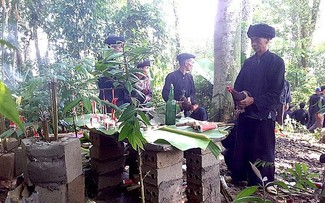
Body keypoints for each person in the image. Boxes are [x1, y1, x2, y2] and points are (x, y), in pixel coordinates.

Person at [230, 23, 285, 194]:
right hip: (246, 114)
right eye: (252, 40)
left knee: (264, 149)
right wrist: (239, 98)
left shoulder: (277, 62)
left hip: (264, 114)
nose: (254, 43)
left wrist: (254, 100)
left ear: (268, 40)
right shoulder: (248, 62)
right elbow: (238, 84)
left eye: (257, 40)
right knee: (242, 146)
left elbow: (276, 92)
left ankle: (266, 181)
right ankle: (240, 176)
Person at [162, 53, 208, 121]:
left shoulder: (190, 77)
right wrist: (177, 102)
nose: (192, 65)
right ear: (186, 63)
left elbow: (193, 93)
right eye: (191, 62)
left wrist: (191, 102)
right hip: (176, 109)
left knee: (202, 112)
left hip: (188, 109)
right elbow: (165, 94)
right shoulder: (171, 76)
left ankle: (202, 128)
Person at [98, 35, 130, 107]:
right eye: (114, 47)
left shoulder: (120, 63)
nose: (118, 49)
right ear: (108, 47)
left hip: (120, 99)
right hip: (110, 99)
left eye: (120, 47)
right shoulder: (103, 63)